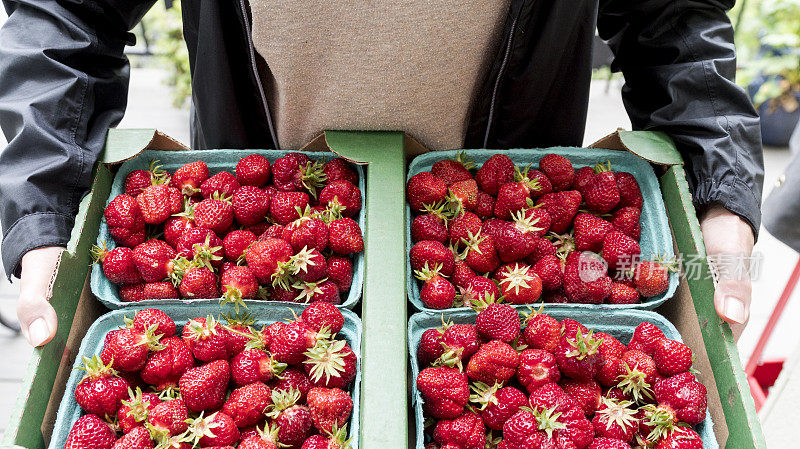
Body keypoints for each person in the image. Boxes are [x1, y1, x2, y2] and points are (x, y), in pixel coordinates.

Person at [0, 0, 760, 346]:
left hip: (512, 233)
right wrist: (40, 215)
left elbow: (674, 13)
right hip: (258, 221)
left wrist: (719, 190)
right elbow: (70, 7)